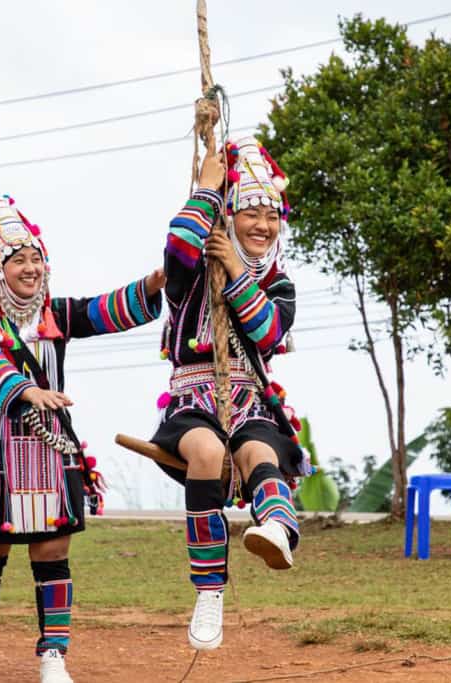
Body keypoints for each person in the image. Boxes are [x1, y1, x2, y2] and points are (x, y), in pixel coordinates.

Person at [0, 193, 164, 683]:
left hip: (50, 446)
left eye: (36, 259)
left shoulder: (58, 315)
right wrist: (27, 391)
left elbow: (104, 310)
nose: (30, 268)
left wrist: (152, 284)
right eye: (19, 260)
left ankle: (54, 656)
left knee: (52, 554)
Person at [150, 137, 309, 651]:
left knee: (261, 452)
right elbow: (177, 243)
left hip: (250, 401)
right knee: (208, 451)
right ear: (229, 216)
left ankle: (280, 532)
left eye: (272, 215)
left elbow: (266, 333)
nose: (263, 224)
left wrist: (237, 272)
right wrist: (206, 188)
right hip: (194, 401)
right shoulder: (191, 272)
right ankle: (209, 590)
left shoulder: (280, 284)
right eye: (250, 212)